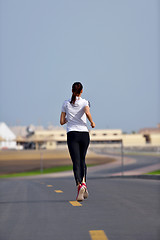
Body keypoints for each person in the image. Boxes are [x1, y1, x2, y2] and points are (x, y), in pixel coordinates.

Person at [60, 82, 95, 201]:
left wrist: (70, 118)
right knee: (82, 159)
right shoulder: (85, 102)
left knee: (76, 161)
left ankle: (79, 184)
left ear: (71, 90)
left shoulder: (65, 104)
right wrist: (92, 122)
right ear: (82, 91)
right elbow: (87, 112)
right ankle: (84, 184)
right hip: (84, 134)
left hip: (72, 134)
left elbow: (61, 121)